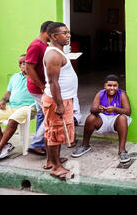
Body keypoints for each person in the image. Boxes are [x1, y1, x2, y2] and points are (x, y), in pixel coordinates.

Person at [42, 22, 78, 180]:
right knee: (55, 133)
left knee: (52, 131)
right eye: (64, 33)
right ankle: (56, 167)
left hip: (62, 98)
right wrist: (60, 104)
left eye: (68, 32)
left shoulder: (58, 52)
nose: (68, 35)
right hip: (58, 100)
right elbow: (53, 82)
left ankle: (51, 160)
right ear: (54, 36)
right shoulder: (53, 55)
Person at [71, 74, 132, 163]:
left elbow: (128, 111)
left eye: (115, 86)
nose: (112, 88)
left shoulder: (122, 94)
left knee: (123, 118)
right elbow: (92, 110)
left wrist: (115, 109)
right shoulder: (100, 93)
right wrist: (98, 109)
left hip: (116, 120)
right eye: (109, 85)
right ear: (105, 86)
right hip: (103, 119)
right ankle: (85, 145)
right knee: (91, 118)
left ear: (118, 86)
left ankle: (122, 151)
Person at [0, 55, 37, 159]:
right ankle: (5, 145)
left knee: (12, 120)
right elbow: (8, 93)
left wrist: (30, 73)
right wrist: (3, 100)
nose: (22, 65)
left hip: (28, 108)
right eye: (20, 63)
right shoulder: (14, 77)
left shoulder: (35, 77)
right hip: (12, 106)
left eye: (24, 62)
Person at [26, 20, 53, 156]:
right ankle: (36, 143)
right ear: (46, 32)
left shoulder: (44, 45)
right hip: (38, 88)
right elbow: (29, 67)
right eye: (53, 33)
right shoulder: (36, 45)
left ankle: (40, 144)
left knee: (42, 114)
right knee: (50, 113)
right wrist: (41, 86)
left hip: (42, 86)